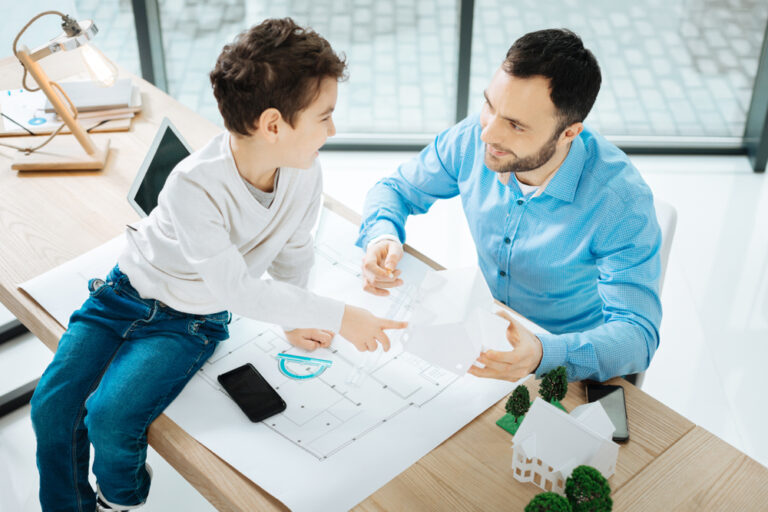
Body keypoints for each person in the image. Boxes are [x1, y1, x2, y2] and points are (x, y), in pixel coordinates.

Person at [30, 18, 406, 512]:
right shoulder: (194, 185)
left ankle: (118, 499)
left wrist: (296, 318)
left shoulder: (305, 173)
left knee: (109, 416)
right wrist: (341, 316)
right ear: (274, 125)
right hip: (121, 296)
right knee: (51, 407)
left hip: (189, 323)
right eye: (324, 117)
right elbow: (238, 291)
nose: (332, 130)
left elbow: (294, 254)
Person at [357, 28, 662, 384]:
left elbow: (637, 336)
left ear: (569, 133)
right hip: (485, 330)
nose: (487, 134)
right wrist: (381, 236)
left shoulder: (621, 204)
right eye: (490, 105)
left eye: (515, 125)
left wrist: (543, 353)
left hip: (566, 359)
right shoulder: (474, 137)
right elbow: (395, 189)